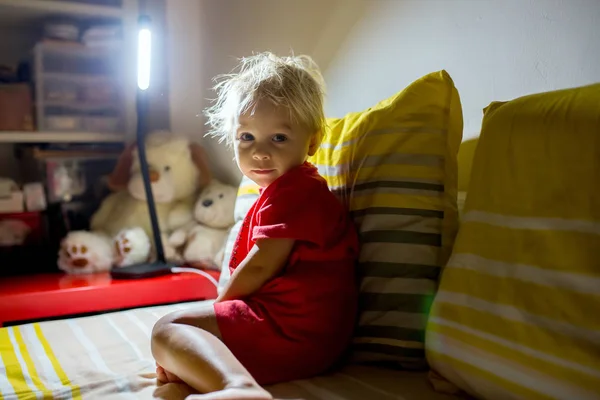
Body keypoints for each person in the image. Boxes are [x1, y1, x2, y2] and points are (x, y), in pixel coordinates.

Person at [151, 52, 359, 400]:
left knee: (169, 327)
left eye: (278, 138)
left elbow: (262, 265)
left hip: (293, 329)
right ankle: (211, 376)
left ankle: (240, 388)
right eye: (247, 137)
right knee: (182, 340)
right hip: (308, 338)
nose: (259, 152)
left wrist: (218, 307)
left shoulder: (296, 190)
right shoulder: (284, 191)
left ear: (312, 141)